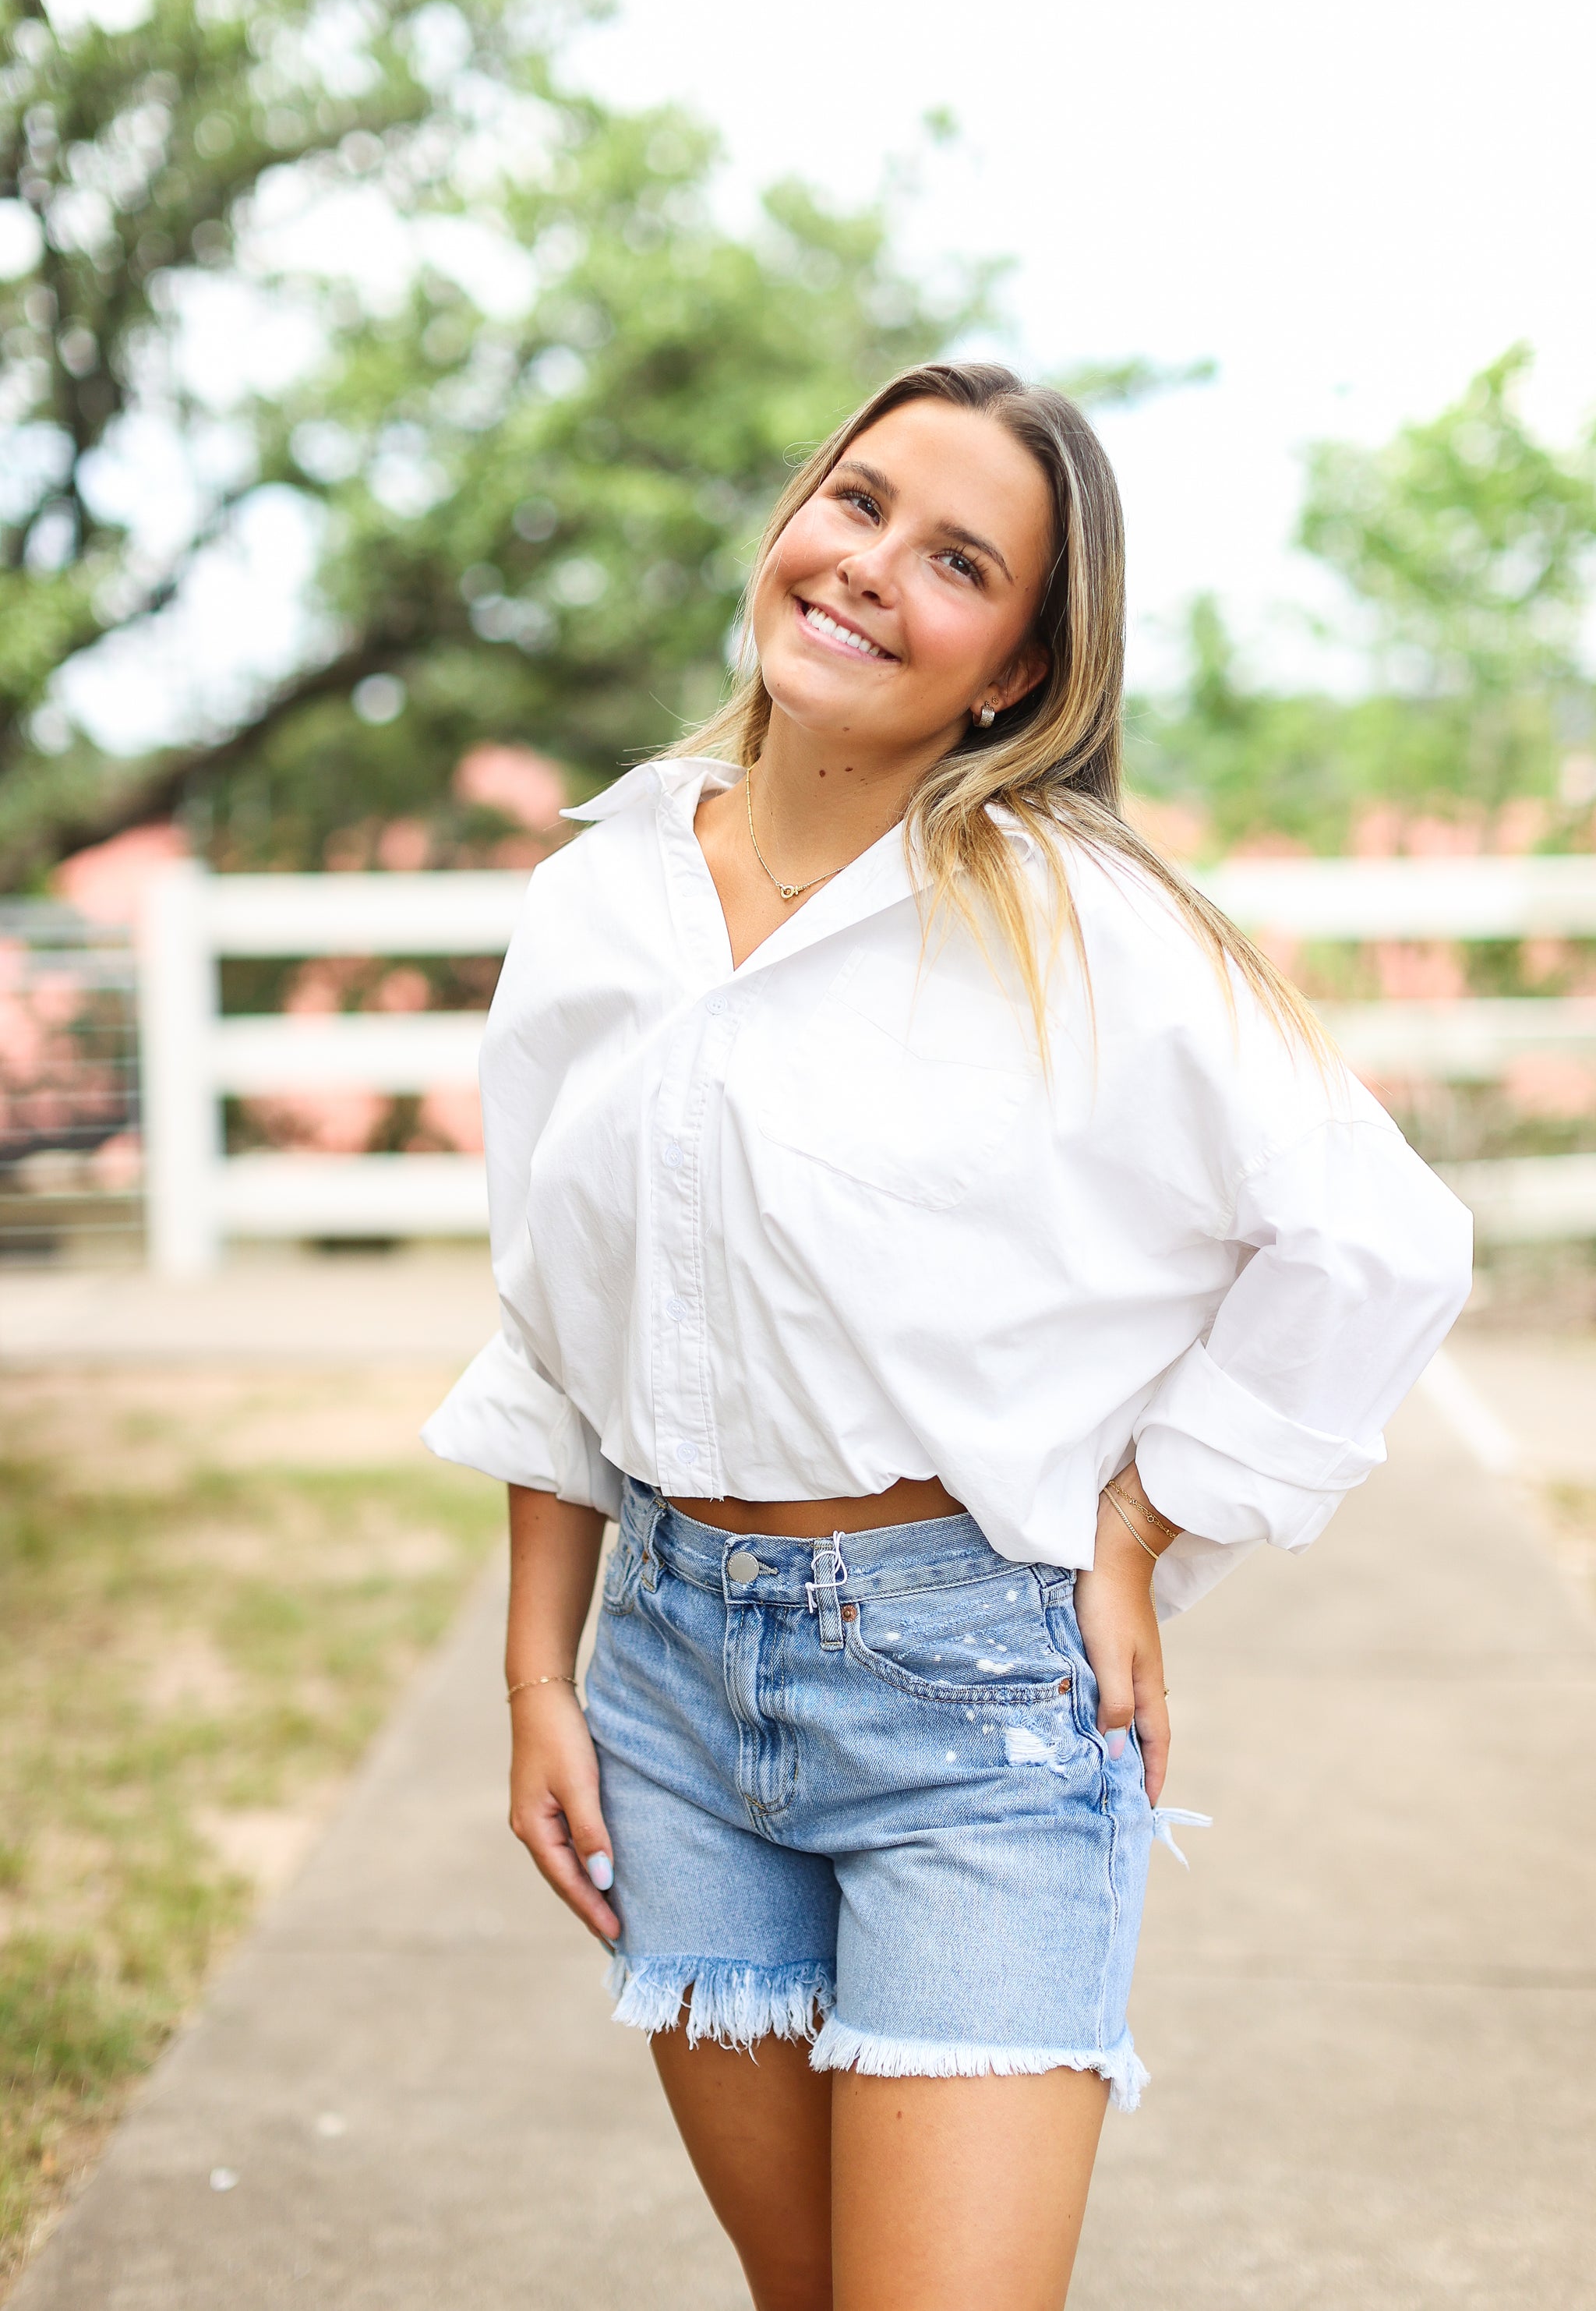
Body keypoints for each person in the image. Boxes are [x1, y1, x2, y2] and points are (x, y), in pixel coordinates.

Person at [422, 362, 1472, 2310]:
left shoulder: (1077, 920)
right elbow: (557, 1317)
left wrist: (1150, 1528)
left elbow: (1379, 1234)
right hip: (665, 1685)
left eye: (959, 558)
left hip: (973, 1706)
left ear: (1014, 666)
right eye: (856, 502)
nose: (870, 568)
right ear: (789, 519)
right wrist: (533, 1680)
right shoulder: (600, 901)